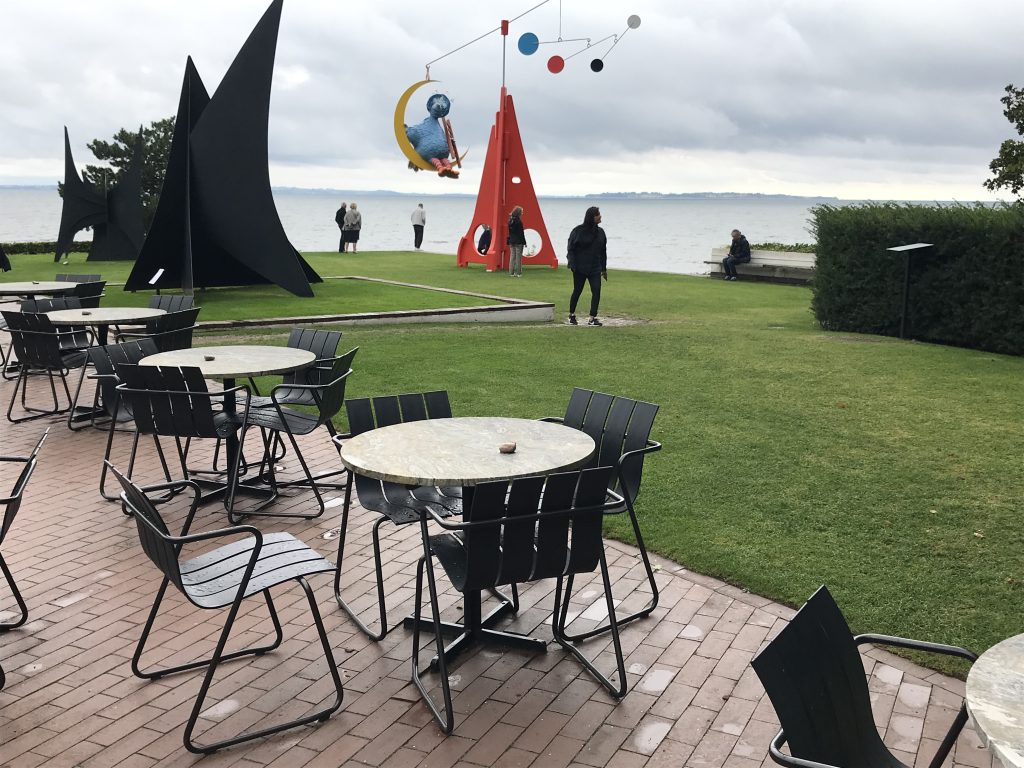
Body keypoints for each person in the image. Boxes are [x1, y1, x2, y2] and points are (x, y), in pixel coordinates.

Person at [566, 206, 608, 326]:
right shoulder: (578, 231)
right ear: (591, 217)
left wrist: (604, 269)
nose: (600, 216)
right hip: (580, 267)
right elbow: (571, 249)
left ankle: (592, 318)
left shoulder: (601, 233)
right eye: (597, 214)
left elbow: (603, 251)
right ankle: (571, 315)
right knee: (577, 291)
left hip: (595, 268)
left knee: (596, 291)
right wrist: (573, 265)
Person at [507, 206, 526, 277]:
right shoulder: (519, 221)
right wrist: (524, 242)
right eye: (521, 211)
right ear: (519, 213)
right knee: (518, 258)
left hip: (511, 241)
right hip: (519, 241)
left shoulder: (510, 220)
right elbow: (521, 233)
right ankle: (518, 273)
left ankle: (511, 273)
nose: (522, 213)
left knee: (512, 257)